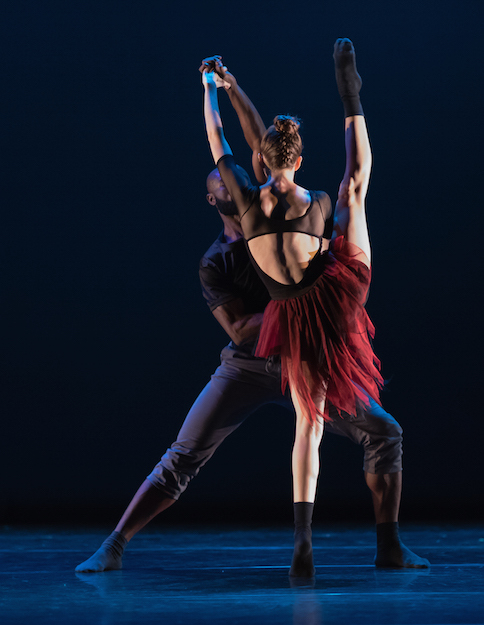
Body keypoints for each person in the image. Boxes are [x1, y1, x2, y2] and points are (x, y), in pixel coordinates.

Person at [74, 44, 429, 575]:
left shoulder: (257, 198)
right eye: (218, 180)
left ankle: (389, 546)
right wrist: (306, 307)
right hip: (256, 362)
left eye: (237, 168)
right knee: (184, 453)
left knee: (384, 432)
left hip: (308, 351)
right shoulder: (215, 261)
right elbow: (240, 329)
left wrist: (226, 86)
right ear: (215, 201)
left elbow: (248, 138)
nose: (226, 176)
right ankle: (115, 544)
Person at [202, 38, 426, 577]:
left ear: (260, 163)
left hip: (290, 314)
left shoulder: (246, 200)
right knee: (355, 189)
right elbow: (338, 187)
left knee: (309, 426)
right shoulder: (316, 203)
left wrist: (210, 93)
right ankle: (352, 98)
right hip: (335, 303)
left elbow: (219, 140)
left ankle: (303, 543)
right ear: (298, 160)